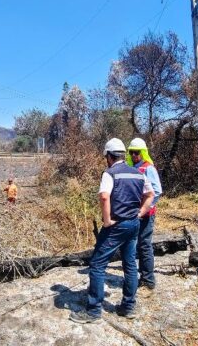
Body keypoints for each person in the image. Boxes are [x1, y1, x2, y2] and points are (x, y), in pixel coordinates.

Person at [69, 138, 154, 324]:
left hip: (116, 226)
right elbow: (151, 194)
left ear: (109, 156)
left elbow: (104, 196)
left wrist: (107, 221)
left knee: (97, 264)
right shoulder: (138, 173)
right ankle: (128, 307)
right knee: (130, 264)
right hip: (134, 224)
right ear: (123, 155)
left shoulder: (109, 173)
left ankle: (93, 311)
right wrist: (141, 212)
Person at [126, 138, 163, 291]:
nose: (134, 155)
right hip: (133, 213)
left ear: (143, 152)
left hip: (146, 214)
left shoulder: (149, 168)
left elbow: (157, 191)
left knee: (144, 245)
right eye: (131, 152)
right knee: (133, 245)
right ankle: (137, 277)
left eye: (137, 152)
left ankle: (148, 280)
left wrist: (145, 208)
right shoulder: (130, 168)